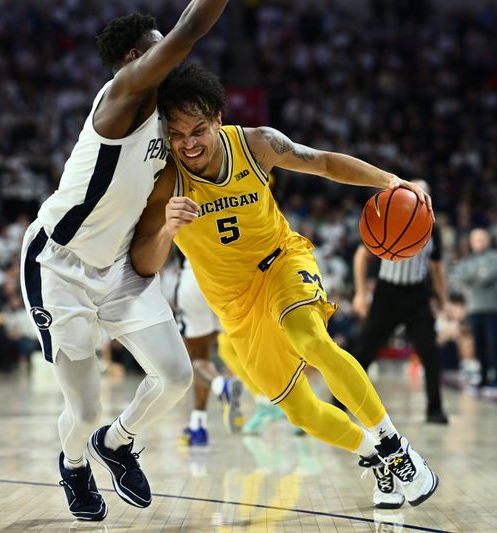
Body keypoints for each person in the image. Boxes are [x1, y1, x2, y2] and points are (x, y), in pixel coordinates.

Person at [130, 62, 439, 510]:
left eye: (197, 129)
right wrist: (164, 231)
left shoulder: (256, 144)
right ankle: (376, 459)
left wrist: (391, 180)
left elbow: (326, 163)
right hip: (234, 307)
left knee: (308, 336)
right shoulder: (166, 181)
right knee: (299, 409)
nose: (188, 142)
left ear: (219, 118)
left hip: (280, 263)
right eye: (176, 134)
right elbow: (143, 263)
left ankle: (396, 447)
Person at [18, 2, 228, 522]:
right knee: (83, 405)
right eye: (161, 46)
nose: (172, 55)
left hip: (117, 267)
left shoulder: (165, 119)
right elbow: (193, 26)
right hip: (58, 266)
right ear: (137, 58)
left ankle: (116, 441)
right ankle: (73, 464)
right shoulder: (124, 94)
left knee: (177, 376)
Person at [340, 182, 449, 424]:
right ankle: (339, 405)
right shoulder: (390, 216)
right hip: (387, 295)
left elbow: (437, 267)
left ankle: (435, 410)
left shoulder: (434, 229)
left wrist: (444, 299)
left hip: (418, 295)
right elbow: (361, 255)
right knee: (363, 352)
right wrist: (359, 293)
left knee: (429, 353)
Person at [175, 257, 245, 445]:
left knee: (195, 359)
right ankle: (198, 425)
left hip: (194, 276)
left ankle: (221, 386)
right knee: (204, 358)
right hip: (224, 280)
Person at [452, 228, 497, 395]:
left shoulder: (495, 257)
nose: (479, 243)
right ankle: (483, 378)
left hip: (492, 308)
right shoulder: (467, 259)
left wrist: (473, 277)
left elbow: (489, 275)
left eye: (482, 239)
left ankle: (496, 380)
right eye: (476, 240)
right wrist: (478, 274)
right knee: (479, 345)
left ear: (488, 240)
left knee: (493, 344)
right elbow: (460, 275)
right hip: (474, 308)